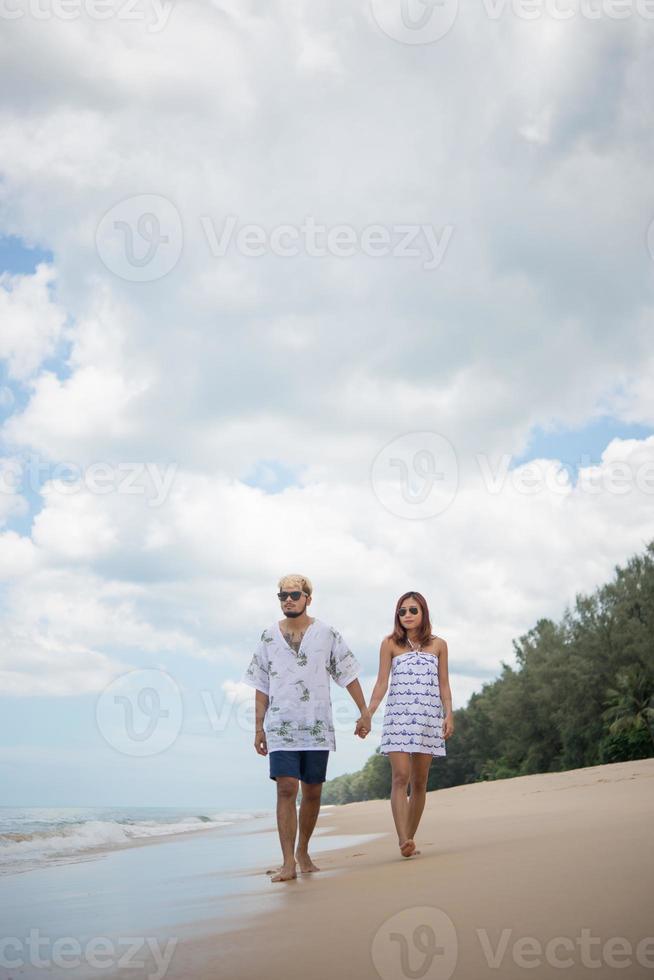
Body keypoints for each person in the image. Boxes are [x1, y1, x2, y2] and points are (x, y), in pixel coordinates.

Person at [243, 574, 371, 882]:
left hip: (317, 726)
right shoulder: (268, 636)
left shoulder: (326, 633)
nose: (288, 599)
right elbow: (261, 684)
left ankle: (303, 850)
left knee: (312, 791)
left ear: (307, 599)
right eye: (283, 595)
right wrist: (258, 728)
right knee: (286, 788)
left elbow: (348, 673)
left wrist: (364, 711)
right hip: (280, 726)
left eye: (294, 594)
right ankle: (288, 862)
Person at [367, 591, 454, 858]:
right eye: (402, 611)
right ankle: (403, 838)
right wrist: (368, 713)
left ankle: (410, 839)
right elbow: (382, 683)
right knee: (400, 776)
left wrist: (448, 714)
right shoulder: (390, 644)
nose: (407, 615)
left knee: (419, 782)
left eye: (412, 610)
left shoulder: (439, 645)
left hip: (428, 719)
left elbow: (444, 684)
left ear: (423, 613)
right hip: (398, 719)